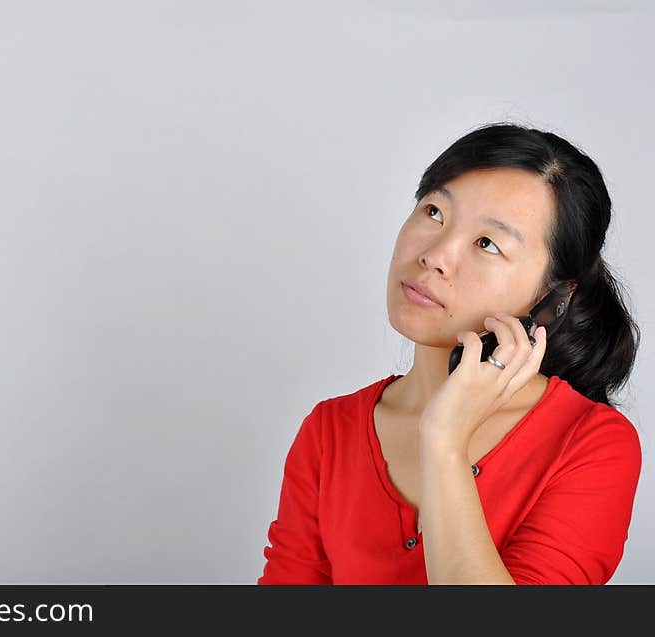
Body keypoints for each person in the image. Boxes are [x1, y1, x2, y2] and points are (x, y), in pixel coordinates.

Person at [257, 122, 642, 585]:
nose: (436, 254)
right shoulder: (329, 432)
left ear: (554, 297)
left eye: (487, 243)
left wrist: (444, 440)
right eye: (435, 212)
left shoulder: (590, 444)